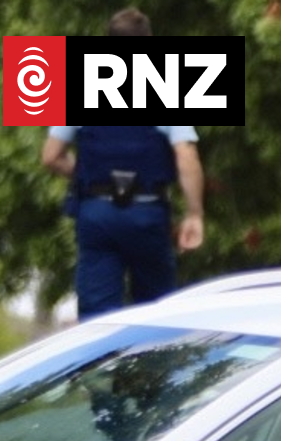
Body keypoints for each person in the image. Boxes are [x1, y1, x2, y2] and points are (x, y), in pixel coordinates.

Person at [40, 7, 205, 321]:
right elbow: (186, 156)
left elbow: (50, 156)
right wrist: (194, 213)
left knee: (97, 321)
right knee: (158, 317)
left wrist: (88, 174)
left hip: (97, 212)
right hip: (147, 212)